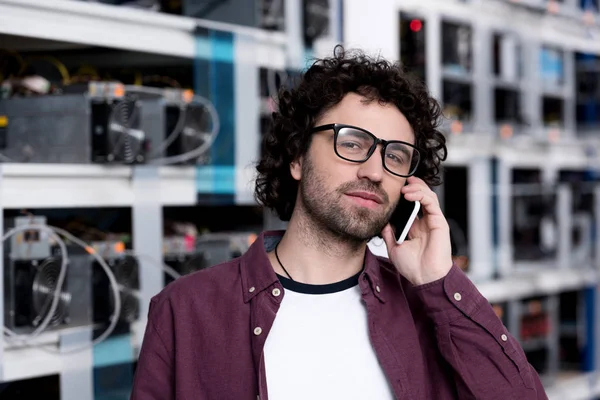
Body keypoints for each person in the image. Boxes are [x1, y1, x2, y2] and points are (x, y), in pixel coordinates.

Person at [131, 46, 548, 400]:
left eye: (396, 156)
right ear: (297, 157)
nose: (375, 170)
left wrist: (439, 281)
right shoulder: (186, 310)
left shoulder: (427, 310)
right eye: (352, 143)